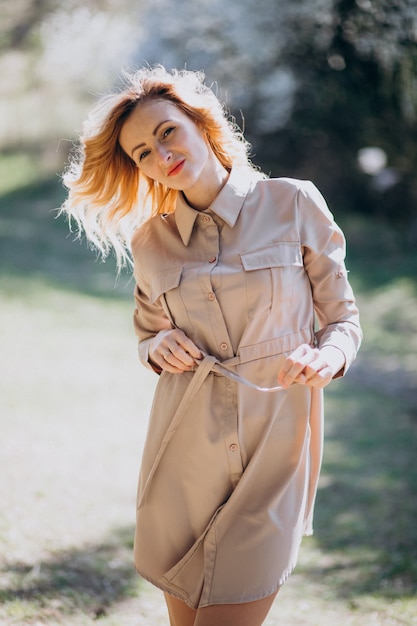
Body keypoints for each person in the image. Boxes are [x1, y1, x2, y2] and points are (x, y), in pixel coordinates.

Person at [60, 65, 362, 626]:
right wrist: (158, 346)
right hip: (184, 447)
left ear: (201, 123)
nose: (160, 155)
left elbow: (343, 318)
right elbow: (148, 333)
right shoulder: (151, 241)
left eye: (167, 132)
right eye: (143, 153)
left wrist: (329, 355)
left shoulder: (293, 202)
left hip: (275, 444)